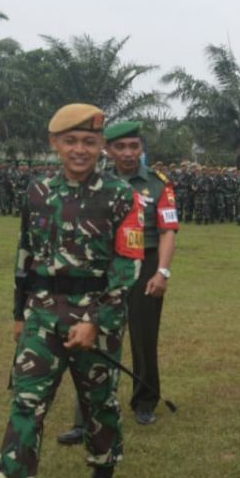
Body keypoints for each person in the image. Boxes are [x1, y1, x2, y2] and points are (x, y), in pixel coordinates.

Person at [0, 103, 143, 478]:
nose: (80, 150)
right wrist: (20, 314)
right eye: (71, 141)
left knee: (99, 402)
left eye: (89, 142)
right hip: (43, 313)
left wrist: (94, 319)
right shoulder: (36, 191)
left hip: (98, 315)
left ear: (102, 148)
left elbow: (127, 265)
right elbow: (25, 254)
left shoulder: (120, 196)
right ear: (55, 144)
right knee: (26, 404)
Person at [58, 122, 179, 443]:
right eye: (120, 147)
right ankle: (85, 417)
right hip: (103, 266)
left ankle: (145, 401)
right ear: (108, 150)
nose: (127, 153)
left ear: (141, 149)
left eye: (134, 147)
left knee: (143, 337)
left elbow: (168, 230)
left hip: (146, 264)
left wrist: (162, 272)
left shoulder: (157, 184)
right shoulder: (96, 183)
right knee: (92, 337)